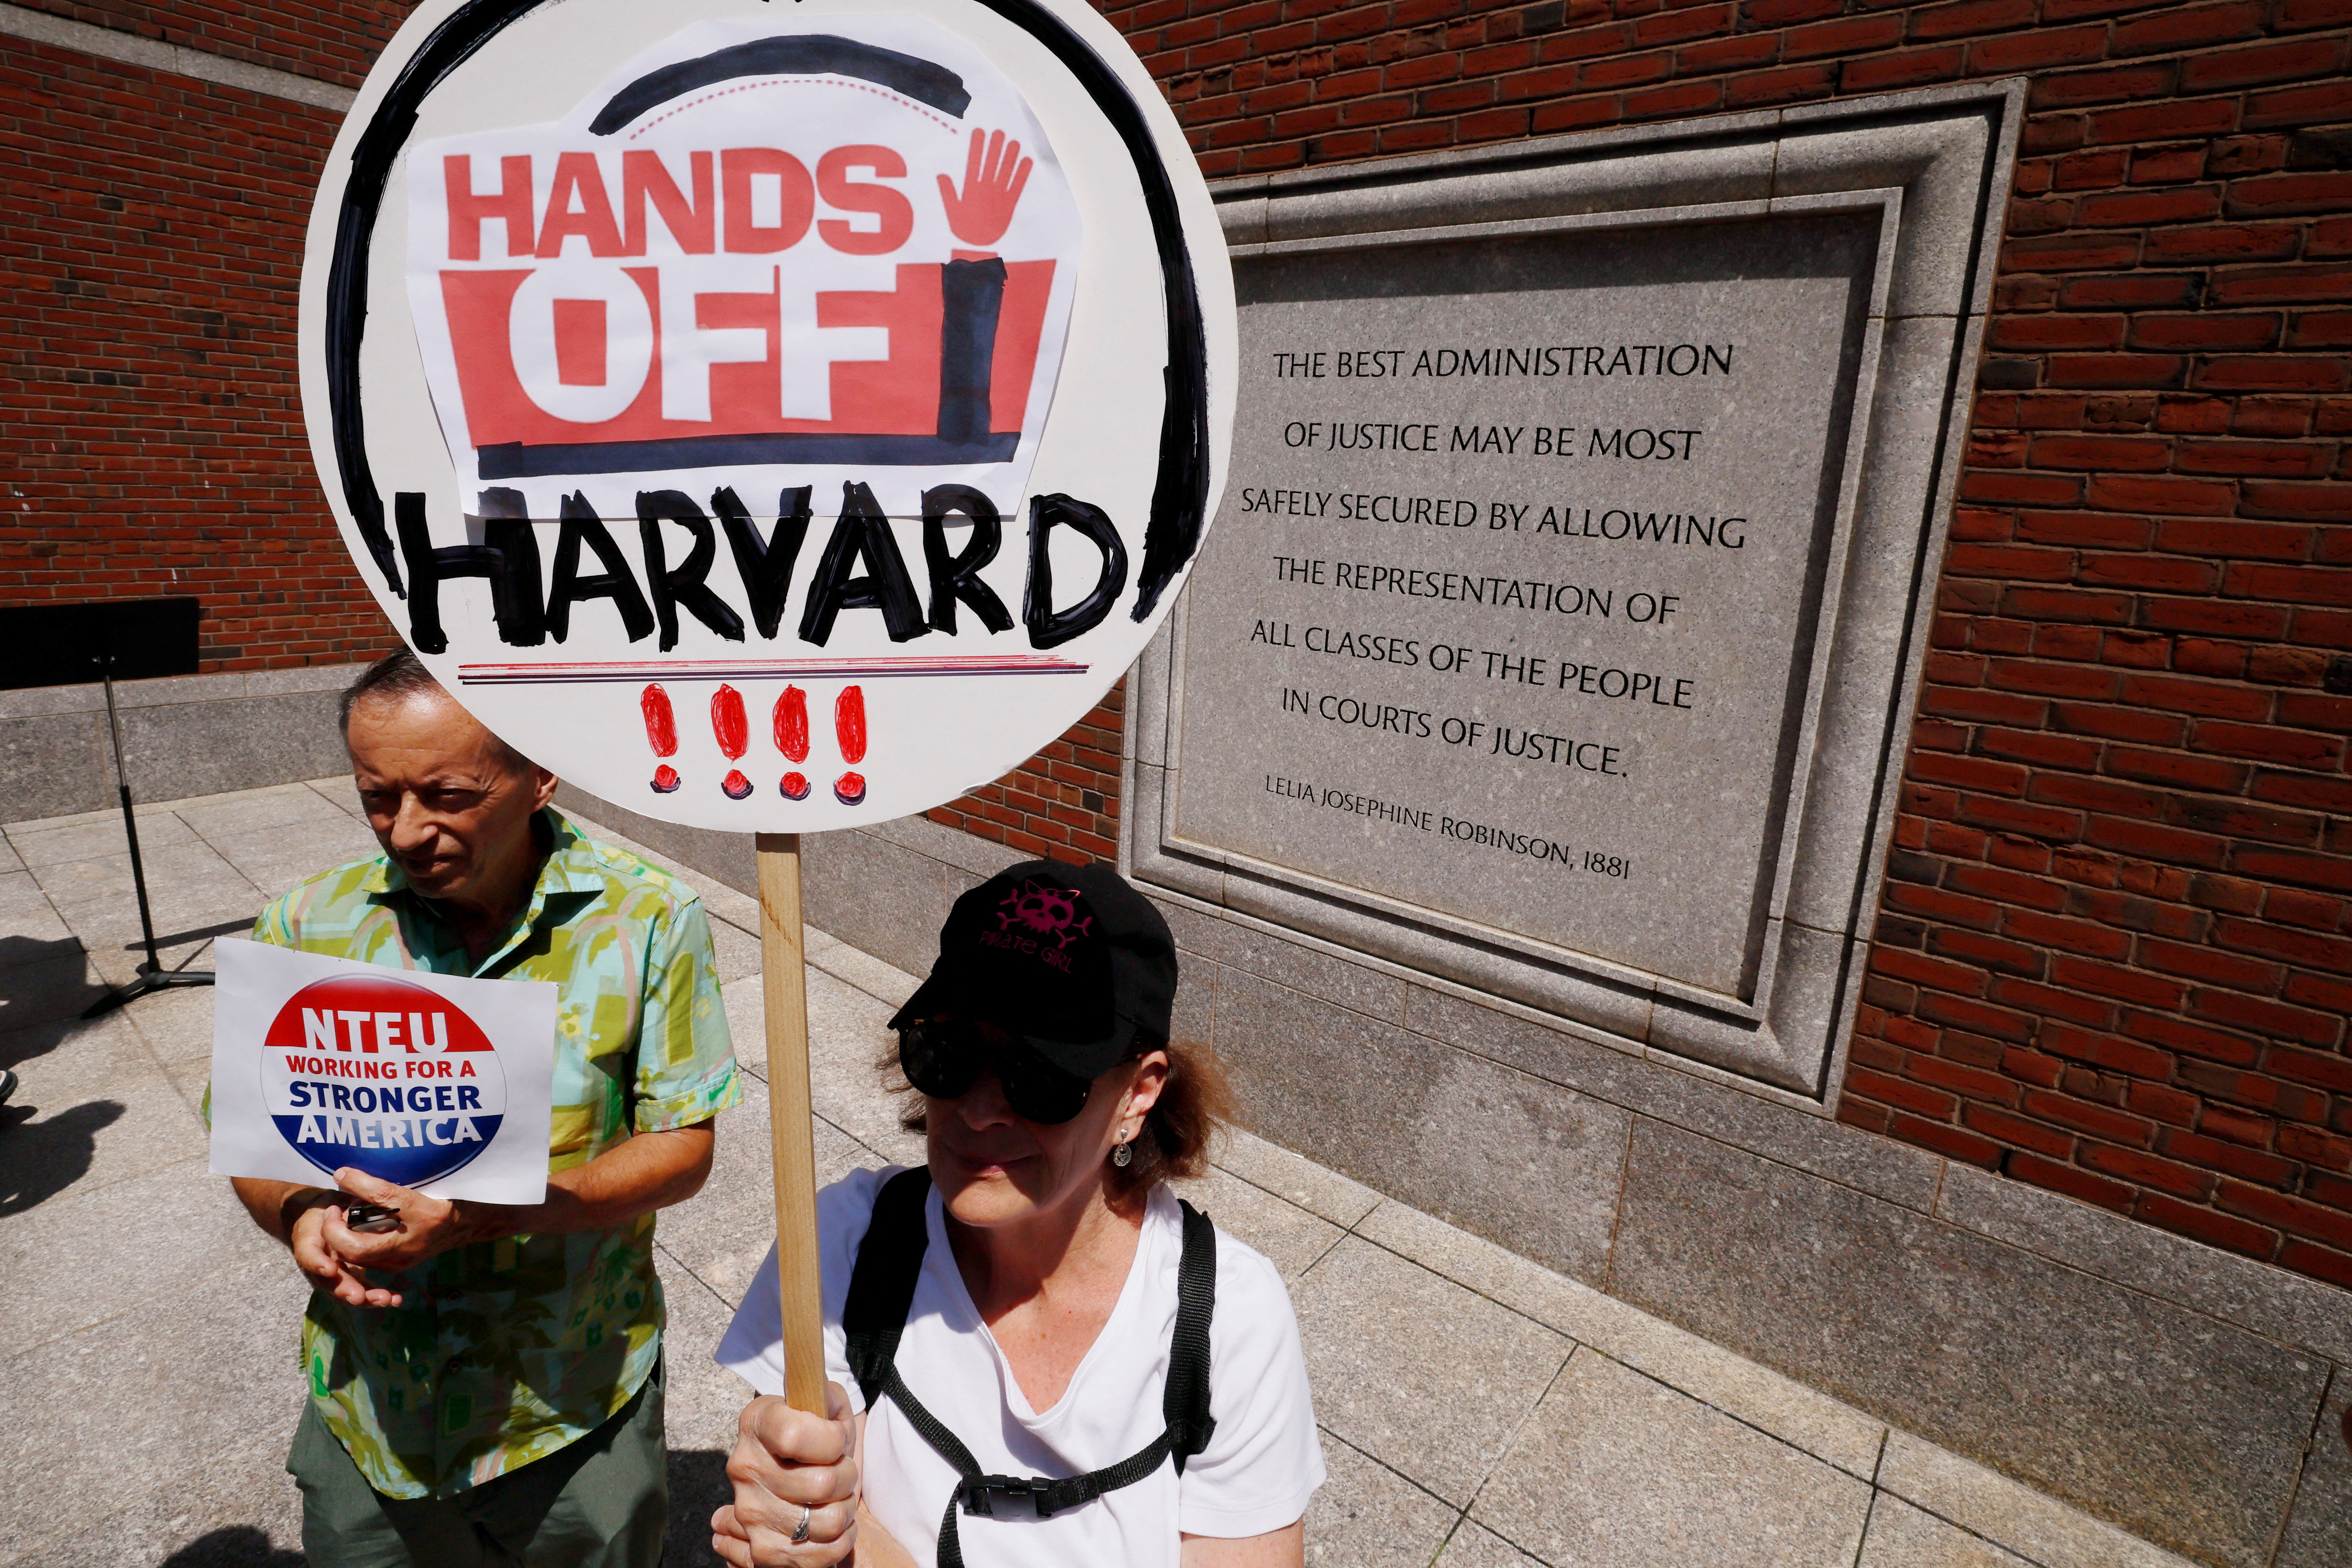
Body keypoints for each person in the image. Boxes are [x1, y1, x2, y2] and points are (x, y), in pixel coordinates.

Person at [221, 649, 743, 1567]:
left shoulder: (648, 920)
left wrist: (494, 1213)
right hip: (373, 1410)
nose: (407, 830)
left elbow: (682, 1147)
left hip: (570, 1402)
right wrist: (299, 1217)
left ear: (540, 774)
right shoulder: (308, 925)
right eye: (378, 796)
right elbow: (255, 1139)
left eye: (449, 795)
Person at [712, 861, 1323, 1568]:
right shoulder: (848, 1245)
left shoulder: (1227, 1319)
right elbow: (802, 1517)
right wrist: (794, 1517)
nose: (977, 1110)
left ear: (1139, 1095)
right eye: (947, 1052)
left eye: (1042, 1077)